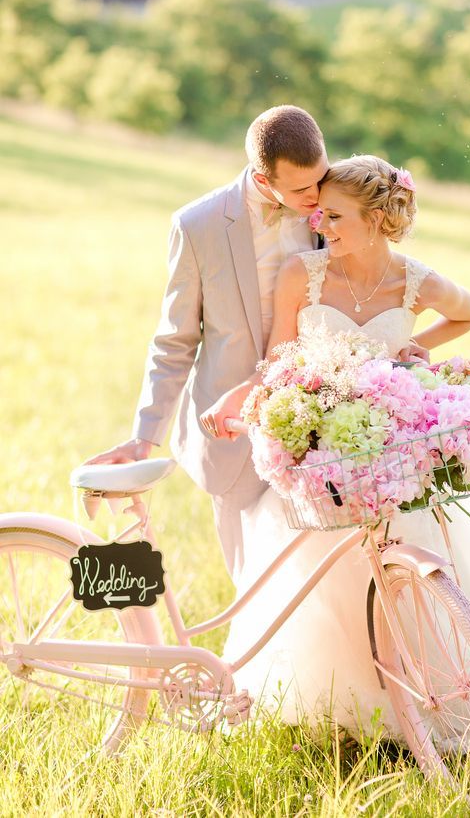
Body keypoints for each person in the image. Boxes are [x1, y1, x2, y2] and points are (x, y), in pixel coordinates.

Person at [221, 155, 470, 752]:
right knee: (329, 582)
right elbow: (278, 359)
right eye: (319, 212)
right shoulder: (304, 274)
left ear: (376, 218)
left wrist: (414, 348)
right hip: (330, 462)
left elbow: (467, 310)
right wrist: (248, 405)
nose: (323, 223)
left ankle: (439, 698)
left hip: (395, 460)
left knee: (422, 573)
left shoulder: (413, 279)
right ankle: (354, 707)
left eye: (336, 214)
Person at [86, 105, 338, 583]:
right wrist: (145, 436)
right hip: (230, 429)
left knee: (317, 578)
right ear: (264, 181)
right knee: (250, 578)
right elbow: (175, 340)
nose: (317, 196)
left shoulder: (332, 199)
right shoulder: (197, 225)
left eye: (320, 179)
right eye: (302, 189)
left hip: (316, 420)